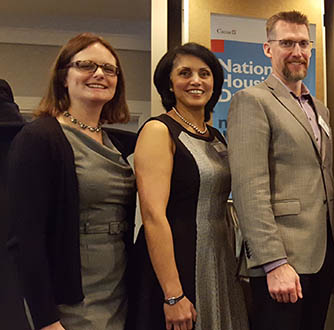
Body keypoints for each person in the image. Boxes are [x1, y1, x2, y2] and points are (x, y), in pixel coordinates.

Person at [226, 10, 334, 330]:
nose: (297, 52)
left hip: (324, 252)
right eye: (287, 43)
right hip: (284, 259)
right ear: (268, 49)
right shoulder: (252, 101)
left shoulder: (319, 108)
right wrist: (273, 262)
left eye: (303, 43)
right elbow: (249, 188)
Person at [6, 32, 136, 330]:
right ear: (64, 77)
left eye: (109, 69)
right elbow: (25, 239)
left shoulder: (119, 143)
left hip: (119, 289)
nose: (99, 74)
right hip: (70, 298)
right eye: (86, 65)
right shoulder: (39, 138)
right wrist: (46, 320)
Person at [127, 42, 248, 330]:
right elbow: (153, 216)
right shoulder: (158, 131)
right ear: (169, 84)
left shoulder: (216, 135)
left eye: (204, 74)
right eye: (185, 73)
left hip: (218, 257)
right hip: (179, 261)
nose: (195, 81)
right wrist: (173, 295)